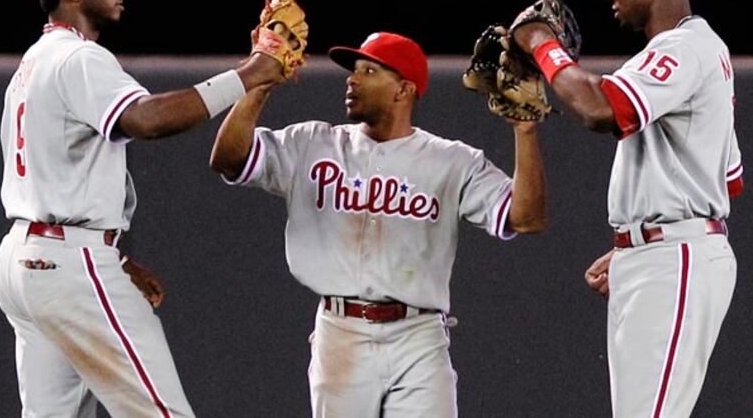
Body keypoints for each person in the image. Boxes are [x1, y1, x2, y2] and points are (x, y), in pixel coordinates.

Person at [0, 0, 286, 417]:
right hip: (68, 264)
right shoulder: (78, 57)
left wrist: (112, 254)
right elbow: (147, 120)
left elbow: (58, 176)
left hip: (28, 262)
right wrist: (250, 73)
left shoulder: (32, 65)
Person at [210, 30, 547, 417]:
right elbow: (229, 159)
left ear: (403, 90)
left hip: (418, 337)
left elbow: (527, 218)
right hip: (341, 333)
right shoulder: (312, 143)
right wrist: (259, 83)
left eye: (369, 71)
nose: (352, 79)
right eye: (354, 70)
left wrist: (525, 132)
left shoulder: (452, 161)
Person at [510, 0, 742, 418]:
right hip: (667, 253)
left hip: (676, 259)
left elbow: (600, 110)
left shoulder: (685, 49)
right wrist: (643, 238)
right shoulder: (692, 52)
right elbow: (730, 179)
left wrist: (543, 45)